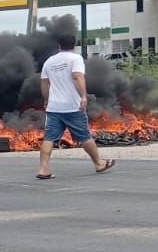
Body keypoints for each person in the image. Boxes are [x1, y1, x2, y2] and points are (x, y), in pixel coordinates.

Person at [36, 34, 115, 180]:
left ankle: (43, 168)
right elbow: (77, 77)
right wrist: (83, 96)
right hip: (72, 107)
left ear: (59, 45)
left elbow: (44, 83)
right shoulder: (75, 59)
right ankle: (99, 163)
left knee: (49, 138)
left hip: (54, 108)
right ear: (74, 44)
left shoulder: (49, 61)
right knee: (84, 136)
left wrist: (47, 100)